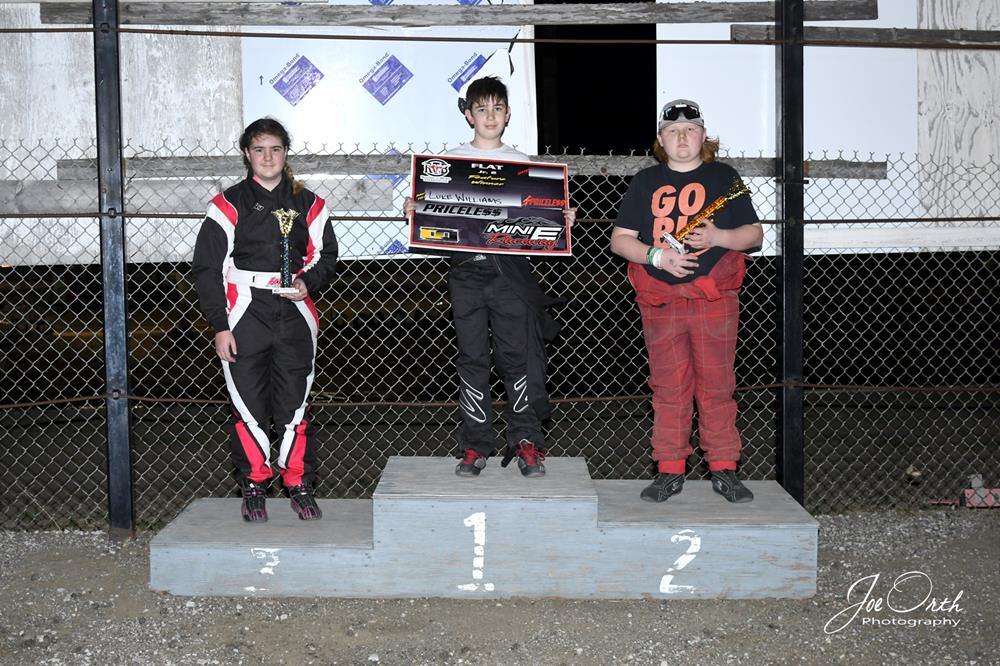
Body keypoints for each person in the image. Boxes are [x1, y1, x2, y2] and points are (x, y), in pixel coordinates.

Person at [405, 76, 575, 478]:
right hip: (465, 274)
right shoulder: (449, 163)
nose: (490, 116)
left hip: (509, 275)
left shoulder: (523, 163)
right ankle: (475, 445)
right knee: (472, 360)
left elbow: (542, 220)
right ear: (469, 115)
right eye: (481, 109)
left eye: (497, 108)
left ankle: (526, 441)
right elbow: (431, 218)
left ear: (508, 113)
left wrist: (561, 218)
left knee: (518, 358)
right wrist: (416, 210)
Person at [610, 99, 762, 503]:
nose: (682, 136)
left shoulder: (725, 177)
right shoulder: (645, 181)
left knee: (717, 387)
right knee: (668, 388)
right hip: (661, 301)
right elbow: (620, 240)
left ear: (703, 135)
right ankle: (670, 471)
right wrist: (656, 256)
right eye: (673, 130)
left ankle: (724, 470)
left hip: (713, 300)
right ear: (660, 139)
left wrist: (719, 237)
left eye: (691, 129)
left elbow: (754, 234)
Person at [192, 118, 338, 522]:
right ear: (247, 154)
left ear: (285, 152)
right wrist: (220, 325)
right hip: (244, 312)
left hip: (295, 313)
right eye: (259, 149)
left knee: (295, 404)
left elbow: (327, 256)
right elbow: (206, 269)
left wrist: (307, 283)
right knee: (248, 404)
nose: (268, 157)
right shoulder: (227, 204)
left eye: (275, 149)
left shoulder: (310, 203)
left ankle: (299, 483)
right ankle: (254, 484)